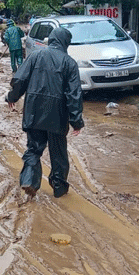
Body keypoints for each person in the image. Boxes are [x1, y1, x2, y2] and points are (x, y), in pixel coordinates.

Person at [5, 28, 84, 199]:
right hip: (58, 115)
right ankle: (59, 189)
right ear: (66, 43)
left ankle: (29, 181)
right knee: (59, 154)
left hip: (34, 111)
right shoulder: (69, 63)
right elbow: (74, 95)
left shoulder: (35, 56)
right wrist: (76, 121)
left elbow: (20, 79)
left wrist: (12, 97)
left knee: (33, 149)